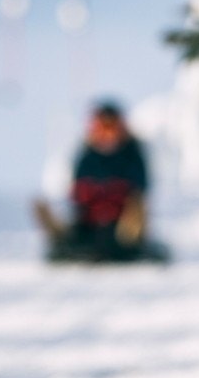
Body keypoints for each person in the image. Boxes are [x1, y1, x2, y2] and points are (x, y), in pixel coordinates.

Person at [34, 101, 161, 263]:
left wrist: (114, 194)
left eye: (112, 128)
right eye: (103, 128)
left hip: (121, 224)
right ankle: (60, 235)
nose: (107, 134)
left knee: (129, 229)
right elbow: (77, 191)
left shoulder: (132, 155)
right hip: (90, 223)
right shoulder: (87, 156)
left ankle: (130, 240)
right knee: (71, 233)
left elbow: (139, 190)